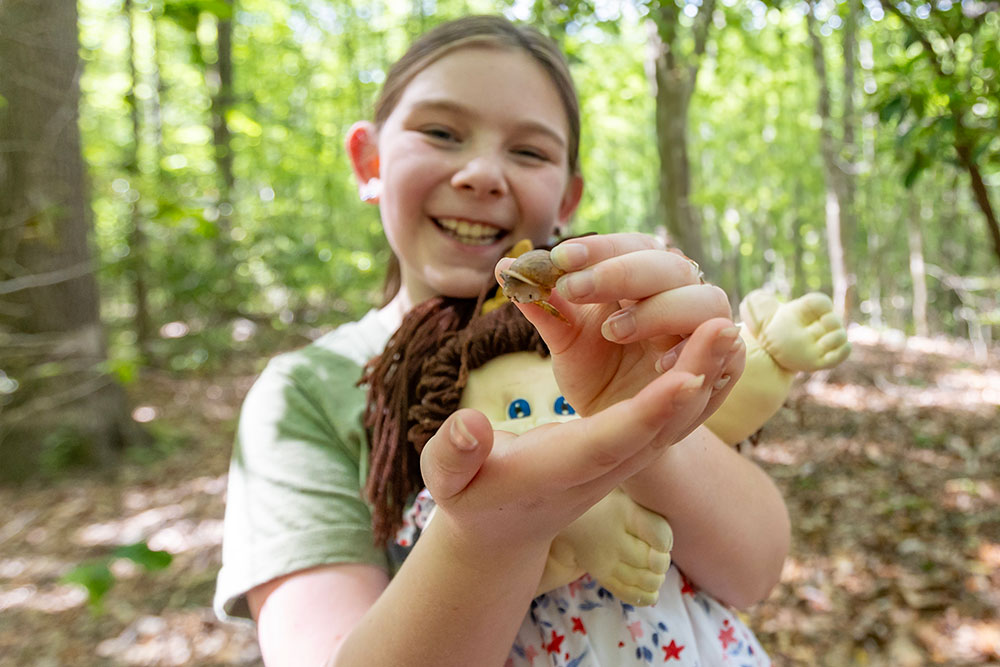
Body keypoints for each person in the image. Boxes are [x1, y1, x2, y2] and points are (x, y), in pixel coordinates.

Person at [214, 15, 790, 667]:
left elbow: (757, 571)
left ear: (568, 196)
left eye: (529, 152)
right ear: (368, 159)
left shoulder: (609, 330)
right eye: (440, 132)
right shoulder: (304, 393)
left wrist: (648, 419)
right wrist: (496, 530)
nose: (483, 173)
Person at [364, 298, 770, 665]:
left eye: (563, 405)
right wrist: (572, 528)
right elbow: (451, 577)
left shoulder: (636, 464)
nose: (547, 425)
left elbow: (752, 554)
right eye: (518, 409)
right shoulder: (448, 503)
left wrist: (770, 358)